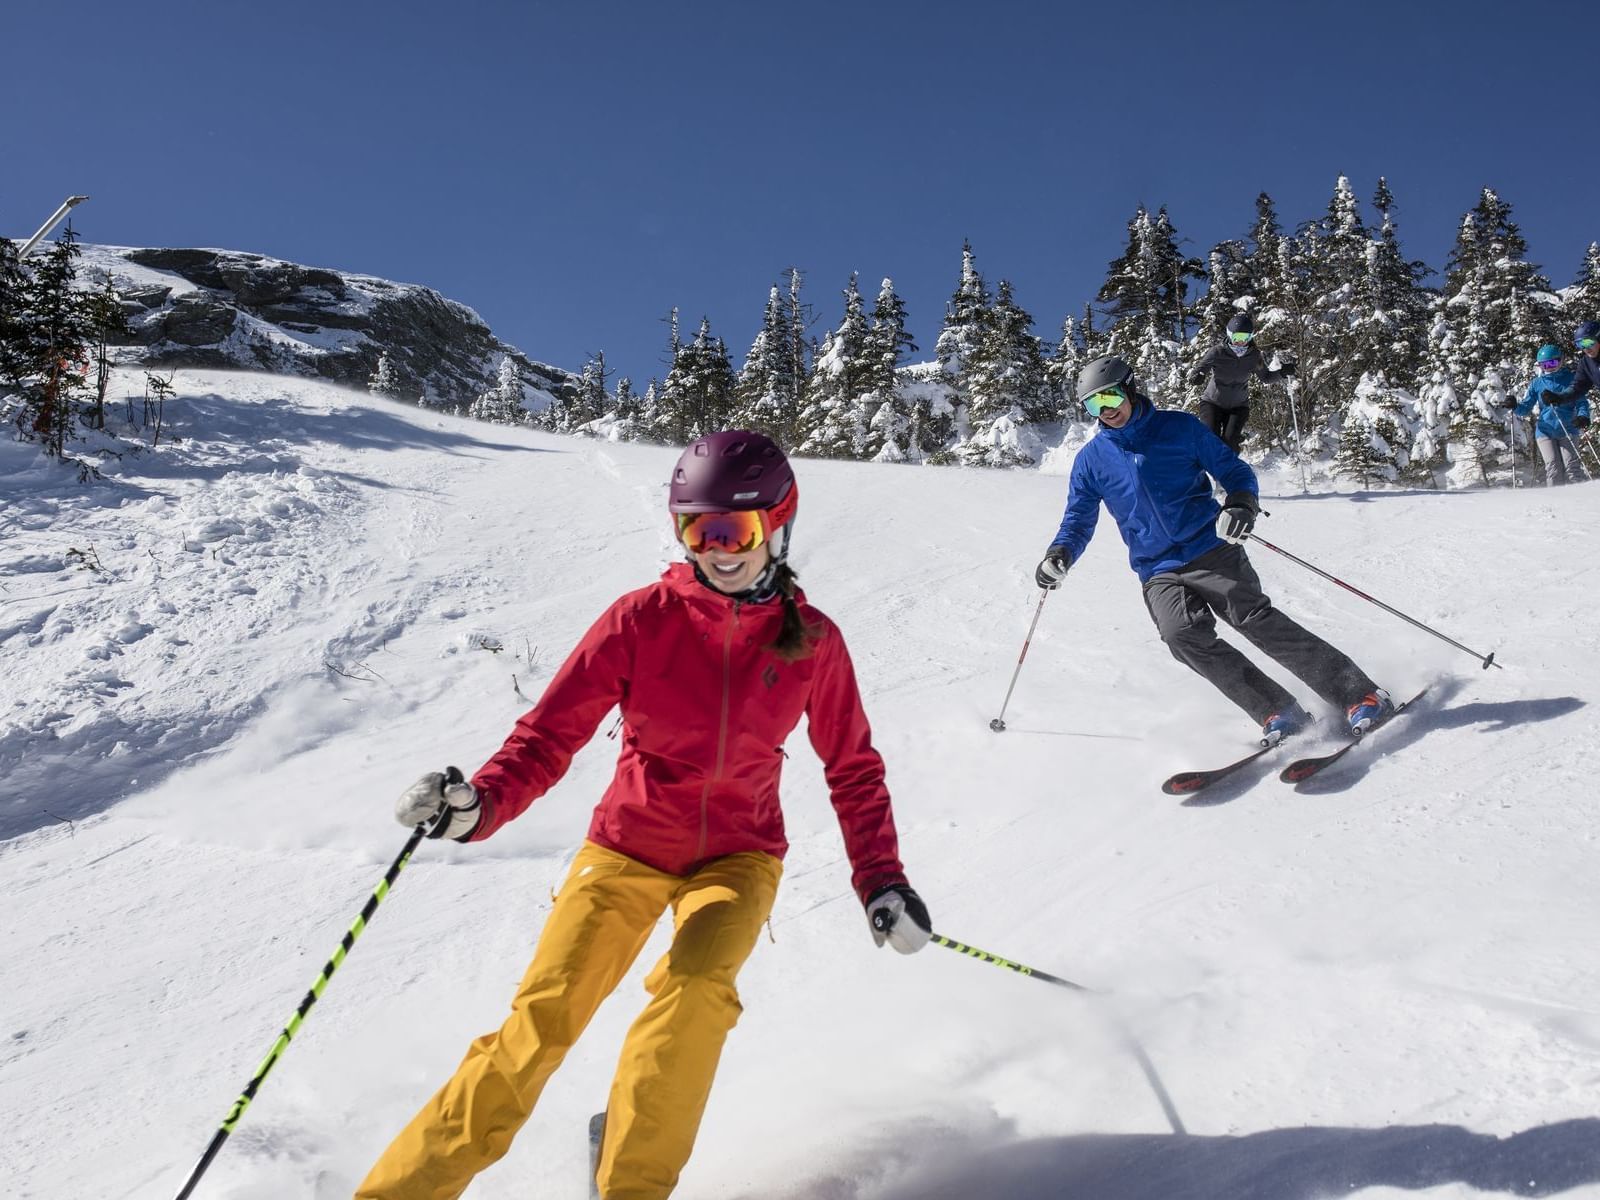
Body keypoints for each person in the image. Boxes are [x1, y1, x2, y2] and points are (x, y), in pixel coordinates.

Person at [356, 430, 931, 1200]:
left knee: (695, 994)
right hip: (627, 846)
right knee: (539, 1024)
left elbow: (853, 768)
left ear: (777, 528)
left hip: (738, 855)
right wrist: (479, 807)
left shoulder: (814, 643)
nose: (719, 550)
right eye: (700, 530)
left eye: (736, 531)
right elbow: (549, 732)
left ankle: (631, 1187)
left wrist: (882, 880)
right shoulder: (641, 619)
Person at [1035, 355, 1392, 744]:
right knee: (1181, 636)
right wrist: (1061, 553)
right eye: (1094, 405)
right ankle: (1279, 711)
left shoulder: (1180, 428)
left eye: (1111, 398)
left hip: (1210, 547)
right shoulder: (1091, 461)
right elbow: (1078, 517)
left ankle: (1359, 693)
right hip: (1157, 568)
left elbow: (1235, 471)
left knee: (1254, 620)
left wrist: (1240, 503)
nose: (1106, 411)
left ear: (1131, 388)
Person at [1186, 311, 1296, 452]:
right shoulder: (1217, 352)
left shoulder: (1254, 356)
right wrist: (1198, 376)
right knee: (1210, 440)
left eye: (1246, 337)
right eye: (1237, 337)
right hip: (1212, 403)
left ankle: (1227, 470)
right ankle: (1205, 468)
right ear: (1230, 335)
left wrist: (1282, 372)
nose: (1241, 341)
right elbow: (1199, 370)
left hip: (1238, 406)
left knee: (1230, 443)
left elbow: (1266, 377)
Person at [1511, 343, 1591, 485]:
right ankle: (1556, 502)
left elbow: (1581, 402)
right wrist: (1515, 406)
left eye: (1553, 363)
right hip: (1545, 431)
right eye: (1545, 365)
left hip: (1568, 428)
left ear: (1561, 360)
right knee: (1553, 467)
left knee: (1572, 467)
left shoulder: (1571, 378)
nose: (1549, 368)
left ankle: (1578, 501)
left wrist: (1583, 416)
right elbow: (1525, 408)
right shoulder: (1537, 383)